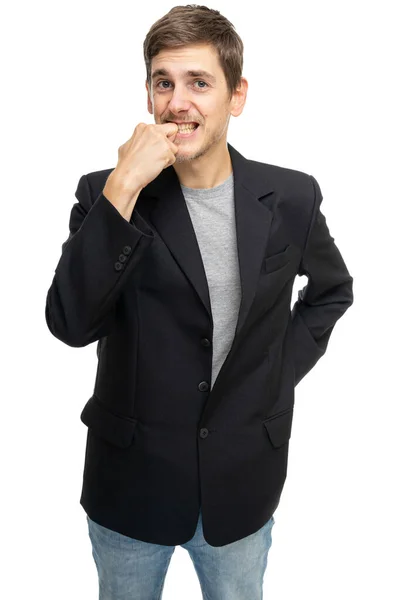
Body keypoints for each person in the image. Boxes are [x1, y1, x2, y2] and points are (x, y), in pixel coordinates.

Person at [45, 4, 354, 599]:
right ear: (147, 94)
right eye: (164, 82)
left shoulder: (291, 195)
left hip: (241, 485)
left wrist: (278, 373)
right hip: (131, 486)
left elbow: (331, 290)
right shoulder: (104, 192)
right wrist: (122, 189)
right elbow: (70, 323)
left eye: (199, 83)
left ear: (237, 96)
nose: (178, 102)